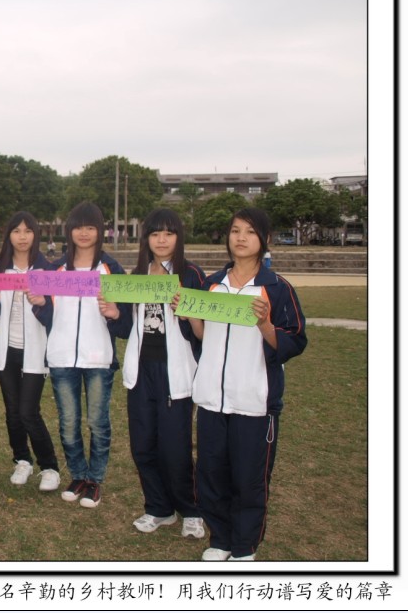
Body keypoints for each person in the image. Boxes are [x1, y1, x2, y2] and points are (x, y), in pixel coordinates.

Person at [173, 207, 307, 561]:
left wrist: (265, 325)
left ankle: (245, 546)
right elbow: (202, 338)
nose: (241, 238)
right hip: (211, 400)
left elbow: (294, 341)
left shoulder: (277, 289)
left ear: (264, 239)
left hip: (254, 401)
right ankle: (220, 539)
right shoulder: (211, 284)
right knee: (211, 473)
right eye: (235, 231)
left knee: (249, 478)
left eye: (250, 231)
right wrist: (191, 316)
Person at [117, 209, 206, 538]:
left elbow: (203, 333)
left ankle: (192, 510)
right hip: (141, 372)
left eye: (169, 233)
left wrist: (187, 312)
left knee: (175, 448)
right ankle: (158, 508)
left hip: (175, 373)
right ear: (147, 239)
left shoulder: (191, 274)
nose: (162, 240)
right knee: (143, 445)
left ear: (178, 238)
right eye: (155, 234)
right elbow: (126, 327)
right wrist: (113, 311)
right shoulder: (138, 274)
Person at [31, 201, 126, 508]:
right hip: (61, 358)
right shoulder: (55, 270)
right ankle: (78, 475)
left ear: (101, 231)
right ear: (69, 231)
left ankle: (95, 480)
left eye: (90, 227)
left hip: (99, 358)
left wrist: (115, 313)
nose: (83, 233)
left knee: (98, 422)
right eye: (78, 227)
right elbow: (48, 316)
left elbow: (126, 322)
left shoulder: (112, 269)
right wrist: (39, 303)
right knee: (68, 422)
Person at [0, 212, 60, 491]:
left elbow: (55, 316)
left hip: (35, 351)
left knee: (28, 411)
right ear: (8, 235)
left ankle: (49, 466)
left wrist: (43, 303)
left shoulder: (47, 271)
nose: (22, 236)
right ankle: (22, 460)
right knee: (12, 411)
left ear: (35, 235)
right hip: (6, 350)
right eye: (16, 231)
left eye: (28, 231)